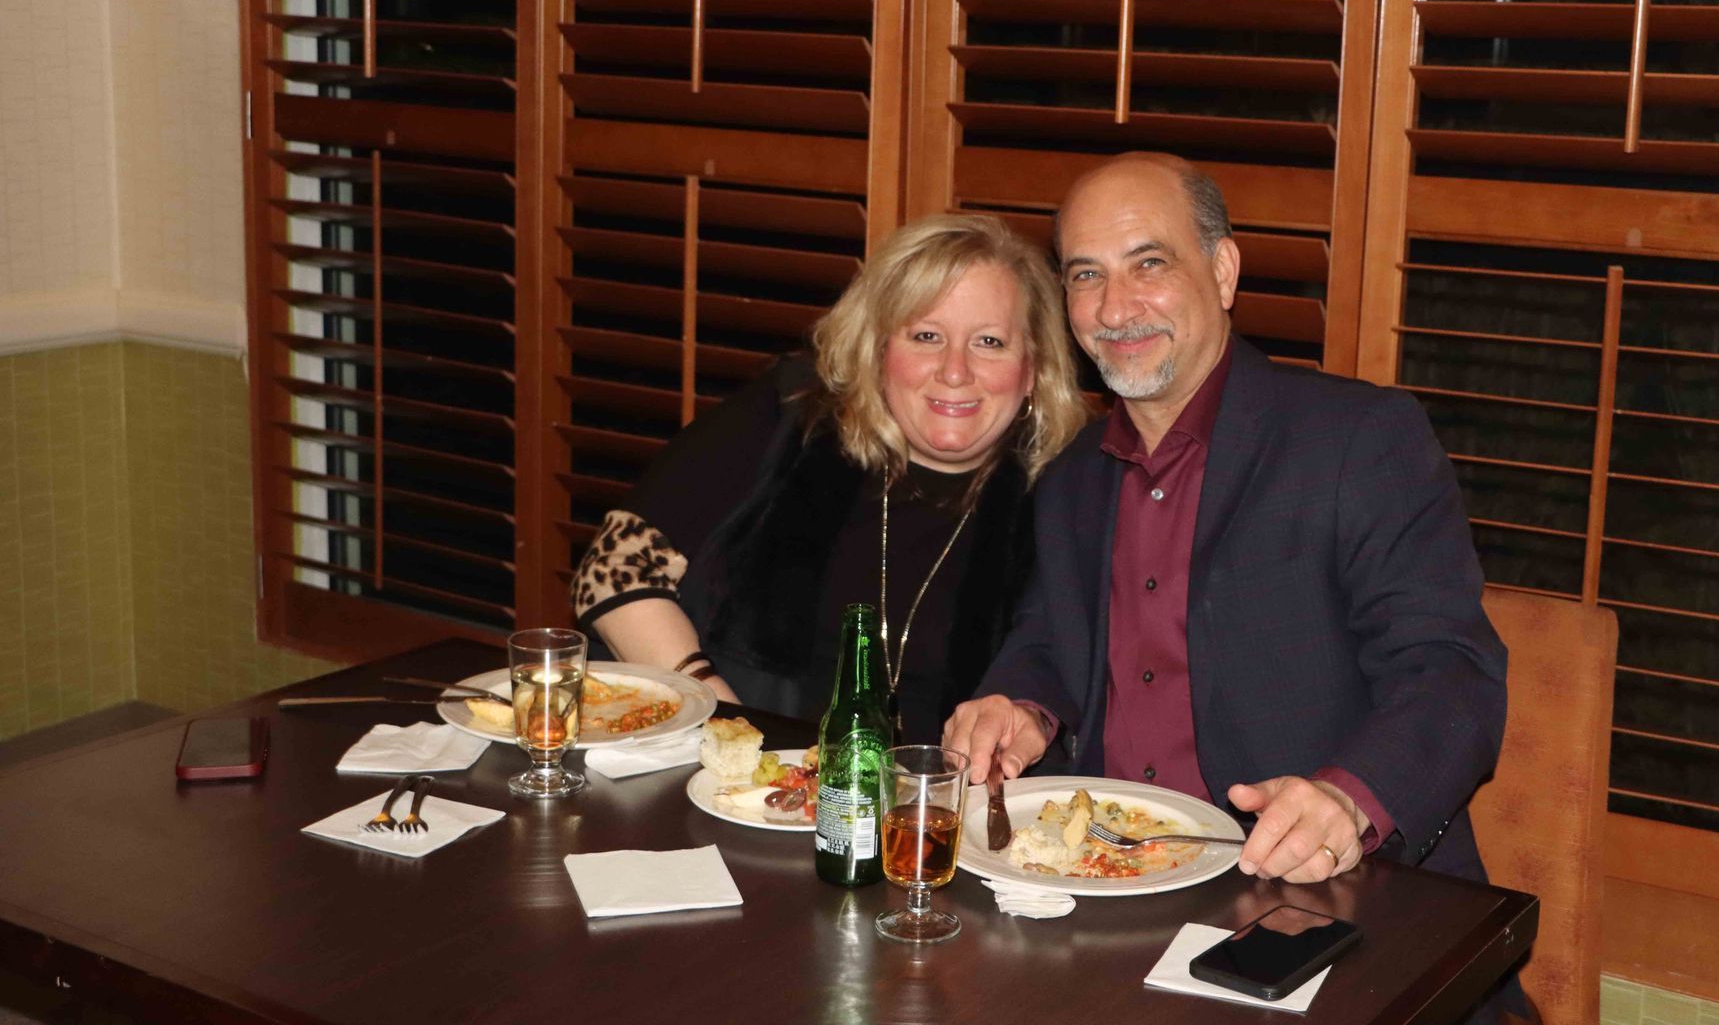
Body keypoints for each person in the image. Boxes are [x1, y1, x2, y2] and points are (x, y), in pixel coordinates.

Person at [943, 152, 1509, 895]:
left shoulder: (1355, 440)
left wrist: (1346, 801)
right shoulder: (1071, 474)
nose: (1115, 309)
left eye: (1149, 264)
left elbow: (1449, 670)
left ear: (1223, 271)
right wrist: (1019, 707)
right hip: (1107, 880)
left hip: (1322, 886)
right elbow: (1052, 639)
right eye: (1086, 274)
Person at [570, 213, 1087, 743]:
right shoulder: (792, 417)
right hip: (745, 782)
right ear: (879, 350)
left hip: (936, 807)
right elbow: (614, 570)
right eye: (926, 335)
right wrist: (724, 720)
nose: (954, 371)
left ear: (1033, 368)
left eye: (990, 342)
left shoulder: (1072, 497)